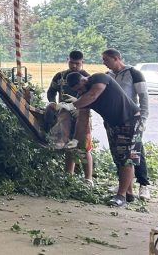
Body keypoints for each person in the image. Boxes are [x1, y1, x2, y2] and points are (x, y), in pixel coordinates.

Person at [66, 71, 141, 207]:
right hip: (113, 124)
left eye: (80, 87)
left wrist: (73, 105)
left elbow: (93, 95)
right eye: (77, 91)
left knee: (126, 158)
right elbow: (82, 121)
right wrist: (76, 140)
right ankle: (129, 193)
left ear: (84, 79)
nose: (80, 91)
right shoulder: (82, 96)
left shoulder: (99, 78)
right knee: (119, 158)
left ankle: (121, 196)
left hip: (129, 120)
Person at [102, 48, 151, 200]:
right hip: (114, 121)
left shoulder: (134, 73)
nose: (104, 63)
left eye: (106, 60)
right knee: (119, 153)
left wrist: (143, 118)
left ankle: (144, 184)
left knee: (135, 152)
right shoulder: (107, 76)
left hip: (131, 119)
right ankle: (125, 186)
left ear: (116, 58)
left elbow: (143, 96)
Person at [45, 50, 93, 185]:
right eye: (71, 63)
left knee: (84, 146)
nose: (74, 66)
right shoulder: (60, 77)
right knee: (68, 145)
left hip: (81, 115)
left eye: (77, 63)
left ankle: (88, 179)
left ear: (82, 62)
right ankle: (68, 177)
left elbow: (92, 97)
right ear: (68, 60)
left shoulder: (87, 78)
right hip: (64, 115)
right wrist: (53, 103)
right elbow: (50, 92)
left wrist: (80, 107)